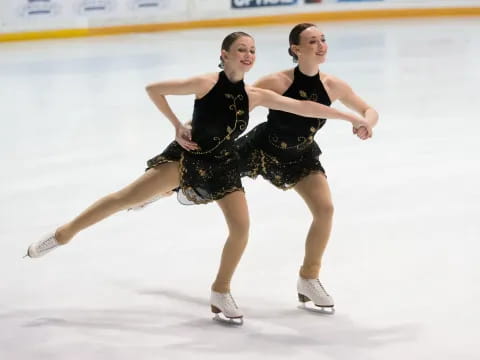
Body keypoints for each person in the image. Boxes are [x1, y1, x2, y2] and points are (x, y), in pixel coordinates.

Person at [25, 31, 370, 324]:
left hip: (223, 165)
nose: (248, 55)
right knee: (123, 198)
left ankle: (220, 292)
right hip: (187, 158)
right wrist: (176, 126)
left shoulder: (254, 95)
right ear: (225, 54)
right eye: (241, 50)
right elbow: (153, 89)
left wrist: (347, 117)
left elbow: (305, 108)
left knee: (241, 228)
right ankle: (64, 233)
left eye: (252, 51)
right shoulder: (205, 83)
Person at [236, 23, 378, 312]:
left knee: (325, 209)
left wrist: (366, 124)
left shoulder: (332, 85)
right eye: (312, 41)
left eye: (323, 39)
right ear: (296, 49)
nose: (321, 45)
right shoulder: (276, 81)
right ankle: (162, 190)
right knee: (193, 180)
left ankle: (308, 279)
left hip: (300, 156)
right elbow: (235, 105)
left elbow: (368, 109)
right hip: (259, 148)